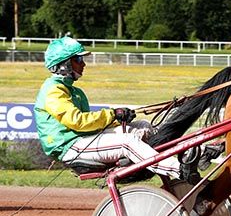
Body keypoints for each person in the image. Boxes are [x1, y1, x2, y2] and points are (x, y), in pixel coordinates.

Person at [34, 36, 200, 182]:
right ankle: (178, 170)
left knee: (143, 127)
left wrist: (117, 119)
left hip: (84, 139)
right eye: (78, 60)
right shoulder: (53, 91)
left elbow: (90, 124)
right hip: (70, 147)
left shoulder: (75, 92)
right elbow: (78, 122)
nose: (83, 64)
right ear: (64, 65)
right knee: (127, 142)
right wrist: (113, 114)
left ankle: (191, 154)